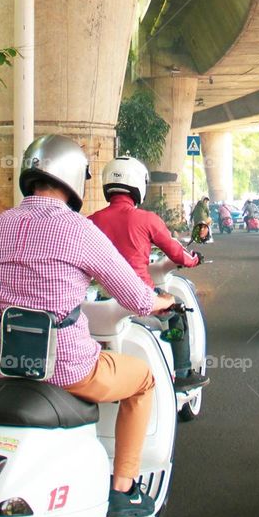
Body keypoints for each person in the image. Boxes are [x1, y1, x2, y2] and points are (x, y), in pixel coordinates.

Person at [0, 134, 175, 517]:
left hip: (6, 369)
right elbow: (135, 298)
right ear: (72, 179)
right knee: (144, 379)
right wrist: (161, 302)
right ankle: (122, 491)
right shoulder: (79, 230)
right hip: (69, 370)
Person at [89, 155, 207, 390]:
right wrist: (192, 260)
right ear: (138, 185)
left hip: (101, 299)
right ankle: (181, 373)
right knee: (177, 311)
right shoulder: (147, 219)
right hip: (140, 295)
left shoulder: (91, 221)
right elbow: (176, 253)